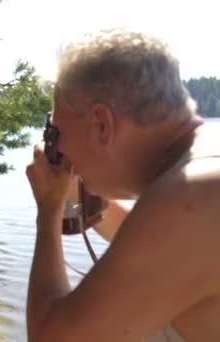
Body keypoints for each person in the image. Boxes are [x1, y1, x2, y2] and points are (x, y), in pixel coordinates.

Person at [25, 28, 220, 342]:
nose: (61, 151)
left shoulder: (192, 198)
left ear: (102, 124)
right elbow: (160, 254)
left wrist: (49, 210)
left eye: (59, 133)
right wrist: (86, 200)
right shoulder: (200, 172)